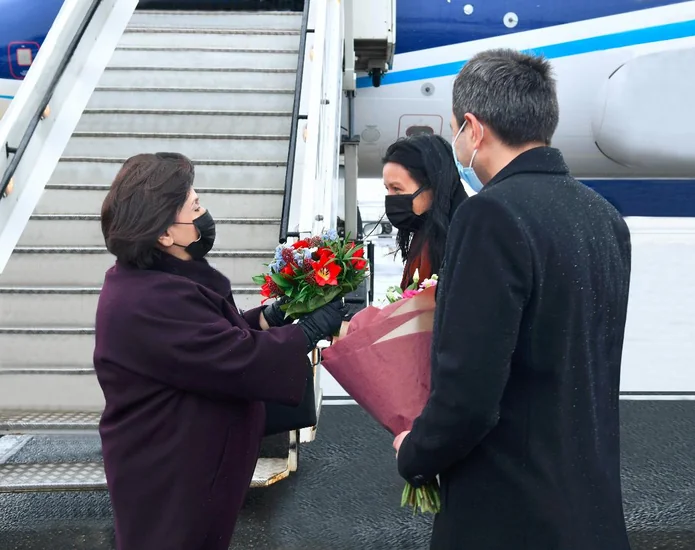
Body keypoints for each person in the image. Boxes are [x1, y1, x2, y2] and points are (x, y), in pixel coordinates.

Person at [393, 49, 633, 549]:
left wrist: (416, 452)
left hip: (511, 514)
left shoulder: (490, 216)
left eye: (456, 129)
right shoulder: (604, 217)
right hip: (590, 511)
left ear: (473, 129)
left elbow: (471, 391)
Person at [93, 152, 344, 550]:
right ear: (164, 235)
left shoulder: (153, 281)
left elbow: (205, 343)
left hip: (181, 461)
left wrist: (269, 318)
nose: (204, 214)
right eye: (195, 208)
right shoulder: (149, 300)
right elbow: (233, 358)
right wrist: (307, 333)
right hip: (170, 473)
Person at [382, 134, 468, 288]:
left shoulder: (463, 239)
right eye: (387, 189)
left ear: (432, 187)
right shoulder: (425, 233)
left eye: (397, 189)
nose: (390, 198)